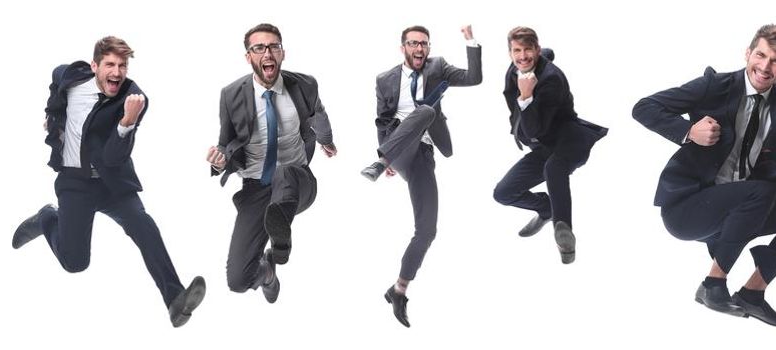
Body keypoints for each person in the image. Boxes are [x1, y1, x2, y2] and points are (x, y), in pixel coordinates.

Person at [632, 24, 776, 328]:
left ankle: (752, 294)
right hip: (688, 209)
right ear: (748, 53)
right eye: (761, 55)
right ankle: (713, 285)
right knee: (760, 191)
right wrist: (688, 131)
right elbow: (644, 107)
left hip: (738, 213)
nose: (765, 67)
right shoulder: (713, 86)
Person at [12, 35, 207, 328]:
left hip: (112, 182)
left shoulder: (134, 100)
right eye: (110, 65)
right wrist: (54, 120)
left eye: (122, 66)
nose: (116, 72)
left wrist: (127, 122)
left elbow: (113, 157)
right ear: (94, 66)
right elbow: (56, 82)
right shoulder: (70, 76)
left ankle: (175, 300)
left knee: (144, 226)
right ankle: (46, 218)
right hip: (75, 183)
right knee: (75, 263)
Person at [358, 24, 482, 328]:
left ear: (428, 48)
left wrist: (470, 40)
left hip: (423, 153)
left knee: (427, 229)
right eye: (413, 43)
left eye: (424, 44)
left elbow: (474, 78)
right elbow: (382, 120)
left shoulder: (437, 67)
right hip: (396, 150)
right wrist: (385, 154)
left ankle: (399, 290)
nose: (419, 48)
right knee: (426, 111)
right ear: (403, 48)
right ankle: (379, 161)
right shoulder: (385, 79)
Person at [207, 23, 338, 306]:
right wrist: (219, 161)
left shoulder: (304, 85)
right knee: (237, 281)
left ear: (282, 53)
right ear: (248, 57)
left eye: (274, 47)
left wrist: (327, 141)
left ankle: (280, 244)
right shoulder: (231, 95)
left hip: (297, 180)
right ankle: (268, 271)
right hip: (255, 187)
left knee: (284, 172)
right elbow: (225, 142)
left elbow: (319, 114)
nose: (268, 52)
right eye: (259, 48)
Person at [494, 26, 607, 265]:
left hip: (569, 140)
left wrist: (525, 97)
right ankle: (546, 208)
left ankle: (563, 232)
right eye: (517, 50)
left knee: (553, 169)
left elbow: (535, 128)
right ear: (510, 52)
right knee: (502, 193)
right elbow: (545, 54)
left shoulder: (552, 79)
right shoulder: (514, 69)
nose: (522, 56)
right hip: (543, 145)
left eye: (528, 50)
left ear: (536, 49)